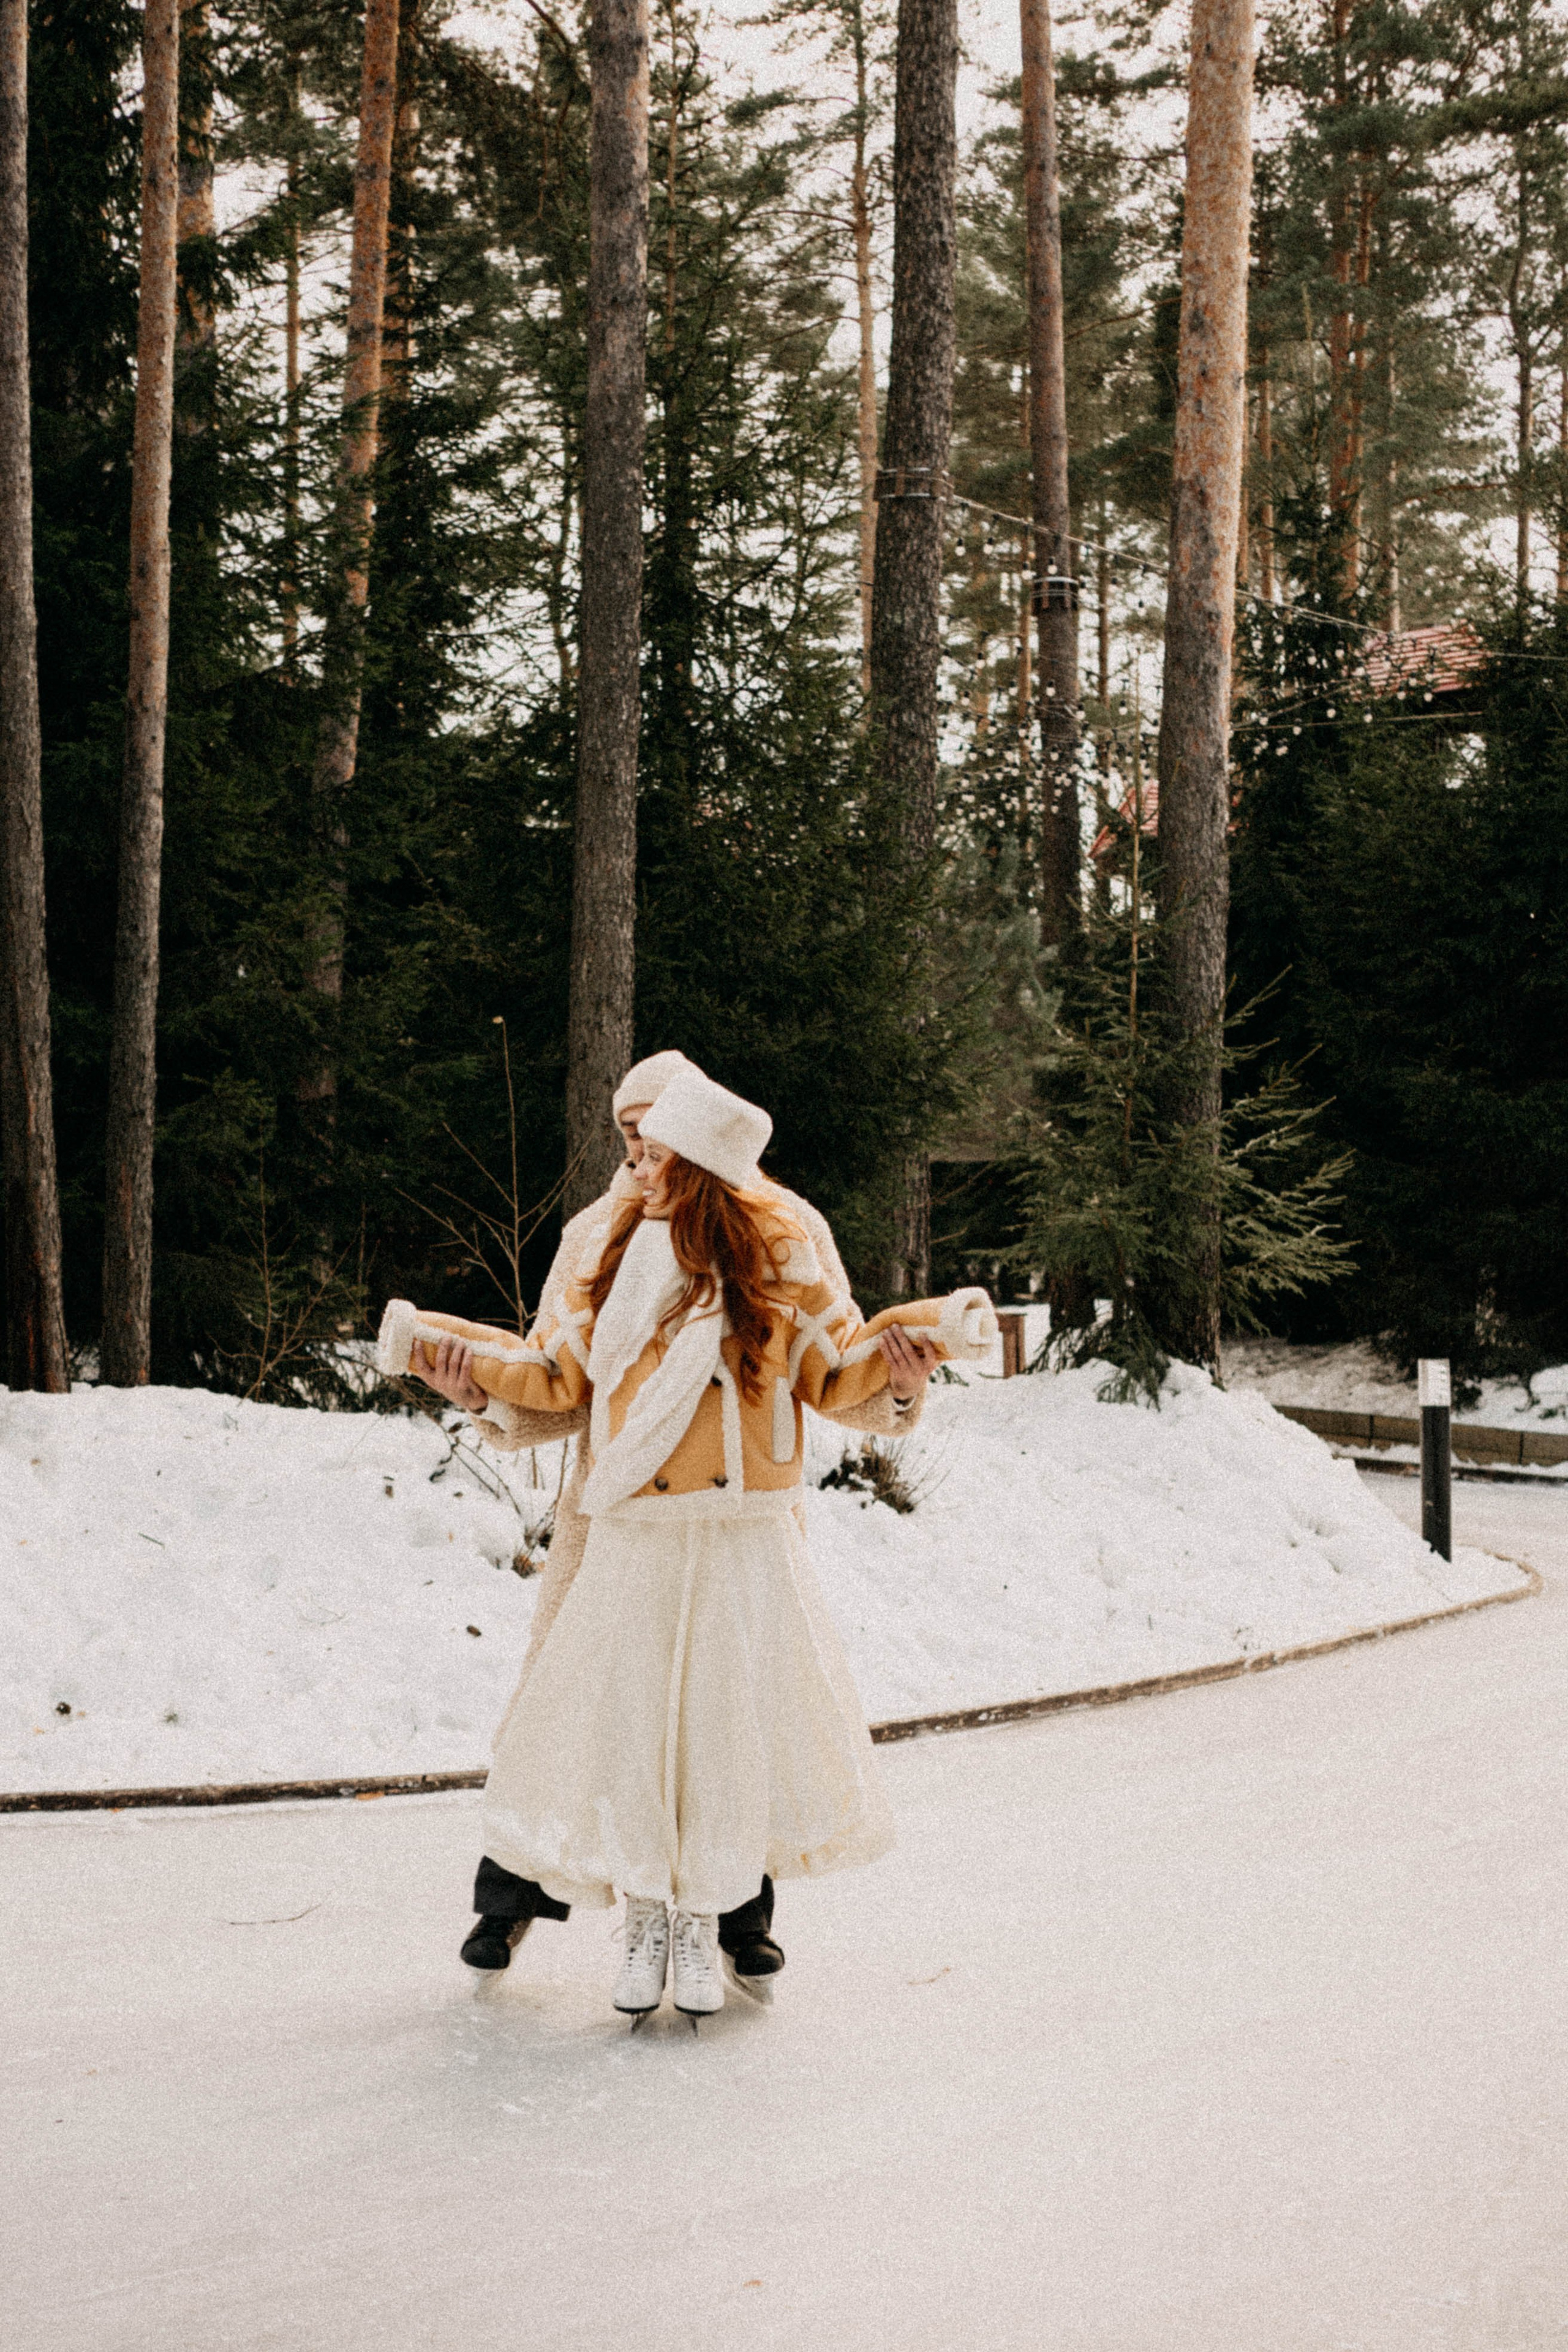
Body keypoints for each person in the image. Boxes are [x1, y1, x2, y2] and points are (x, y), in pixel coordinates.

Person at [386, 1066, 994, 2024]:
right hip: (619, 1514)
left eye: (653, 1131)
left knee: (728, 1716)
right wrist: (470, 1387)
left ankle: (731, 1921)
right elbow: (559, 1378)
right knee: (612, 1715)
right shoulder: (599, 1234)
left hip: (738, 1516)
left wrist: (911, 1373)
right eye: (627, 1129)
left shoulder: (784, 1225)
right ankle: (536, 1906)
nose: (636, 1148)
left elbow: (834, 1366)